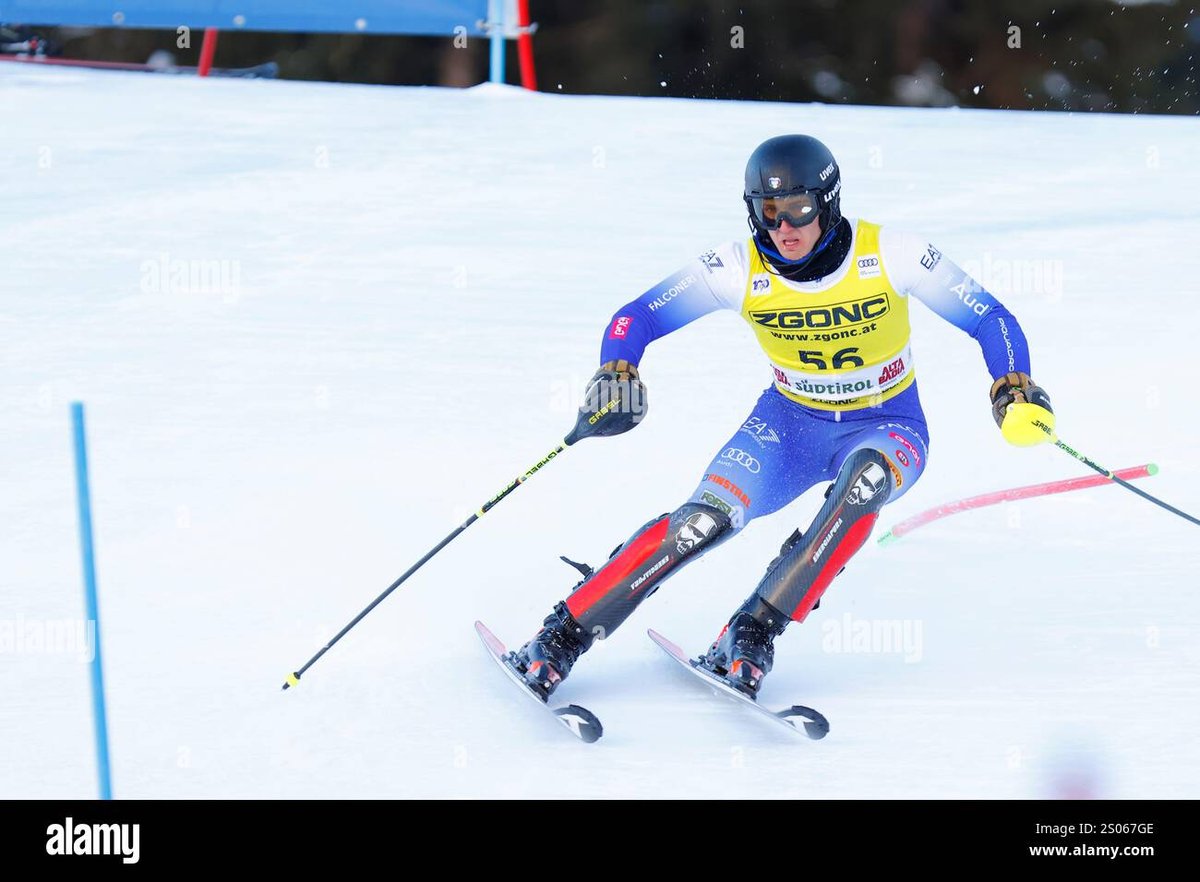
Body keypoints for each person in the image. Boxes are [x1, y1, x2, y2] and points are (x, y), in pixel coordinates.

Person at [508, 134, 1053, 700]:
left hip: (888, 423)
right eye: (768, 212)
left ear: (828, 204)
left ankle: (752, 631)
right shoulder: (737, 266)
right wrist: (617, 369)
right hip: (788, 427)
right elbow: (636, 316)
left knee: (864, 483)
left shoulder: (893, 254)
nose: (784, 228)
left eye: (799, 209)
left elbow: (990, 317)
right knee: (701, 524)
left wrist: (1012, 381)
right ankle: (561, 635)